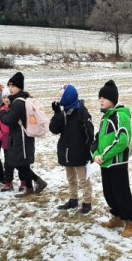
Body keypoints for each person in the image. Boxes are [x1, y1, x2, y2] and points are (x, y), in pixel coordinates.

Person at [93, 80, 132, 237]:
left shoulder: (120, 115)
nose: (101, 101)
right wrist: (95, 154)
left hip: (117, 163)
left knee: (122, 193)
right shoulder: (104, 118)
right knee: (109, 193)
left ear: (113, 99)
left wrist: (104, 156)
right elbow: (98, 139)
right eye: (100, 98)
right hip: (105, 164)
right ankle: (117, 217)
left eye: (105, 98)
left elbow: (122, 141)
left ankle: (131, 221)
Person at [0, 71, 47, 197]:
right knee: (21, 163)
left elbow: (10, 120)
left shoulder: (18, 102)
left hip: (21, 137)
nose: (10, 88)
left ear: (20, 87)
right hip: (22, 136)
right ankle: (35, 183)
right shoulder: (22, 99)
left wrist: (2, 113)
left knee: (21, 163)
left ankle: (32, 186)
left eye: (13, 86)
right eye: (9, 86)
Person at [50, 84, 94, 215]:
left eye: (61, 96)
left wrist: (88, 151)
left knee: (84, 180)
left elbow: (89, 133)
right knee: (71, 178)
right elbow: (54, 129)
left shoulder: (82, 112)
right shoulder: (63, 112)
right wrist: (57, 114)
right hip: (67, 151)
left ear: (68, 97)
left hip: (80, 153)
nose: (59, 98)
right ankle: (73, 199)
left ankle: (87, 203)